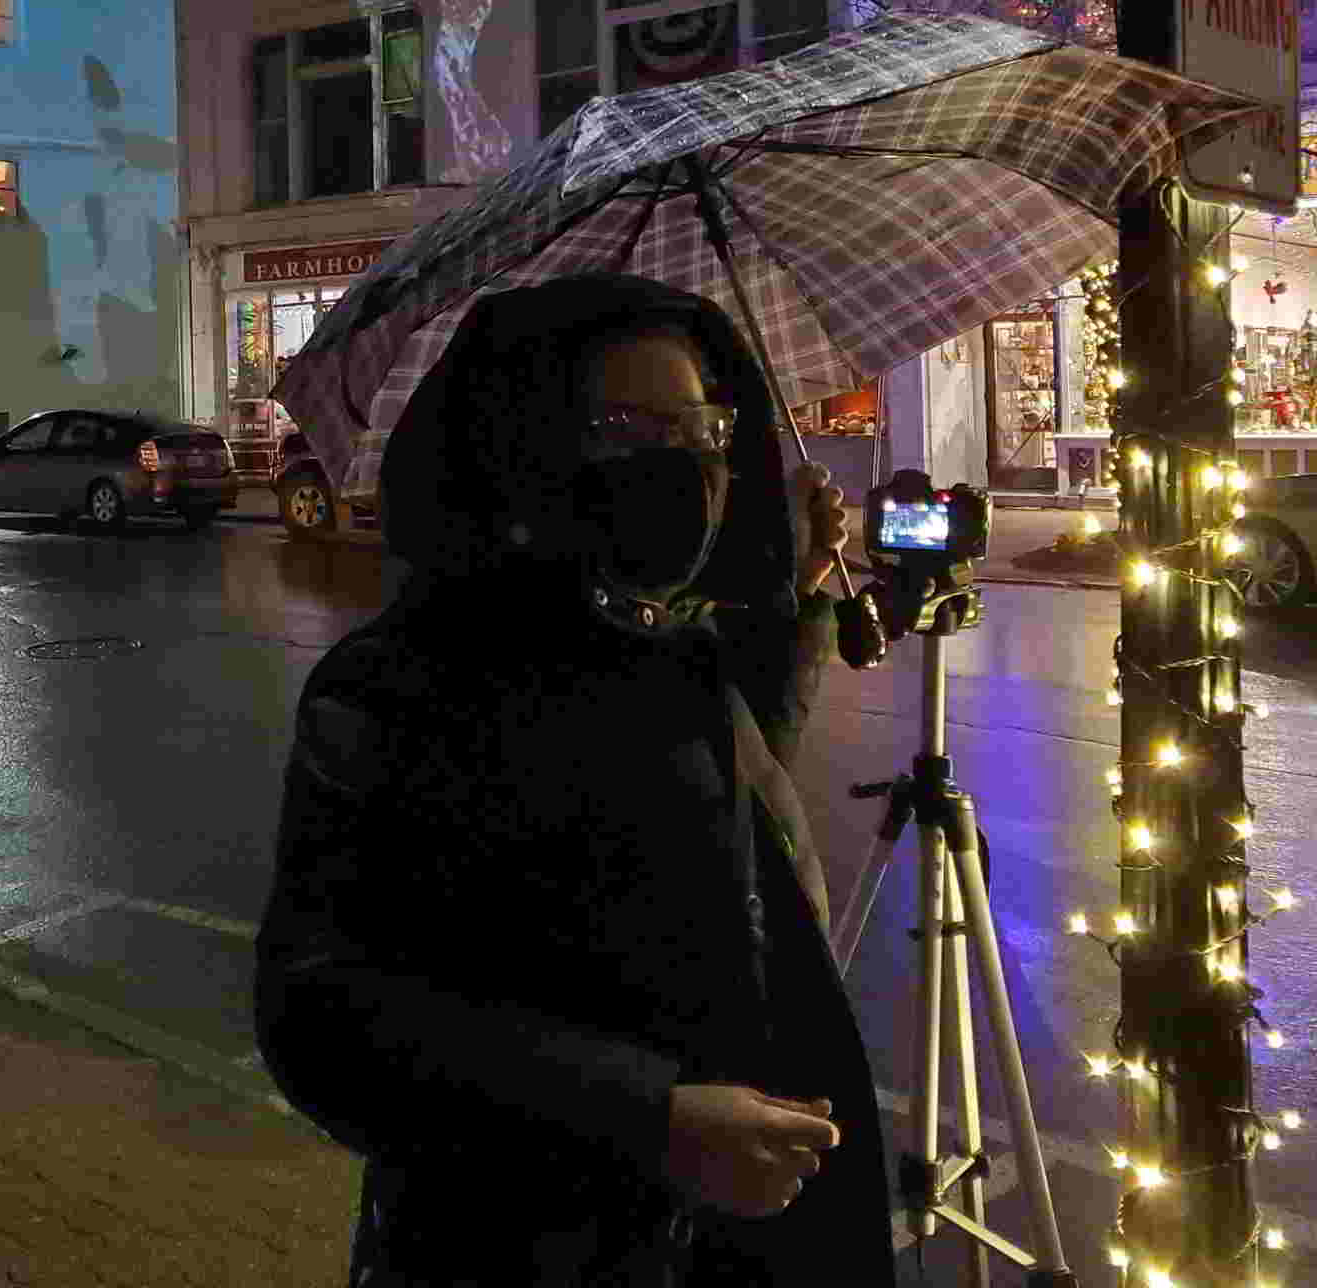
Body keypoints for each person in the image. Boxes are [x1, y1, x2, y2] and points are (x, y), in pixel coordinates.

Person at [255, 273, 893, 1287]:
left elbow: (730, 796)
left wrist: (800, 602)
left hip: (721, 1243)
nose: (683, 463)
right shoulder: (404, 686)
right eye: (630, 426)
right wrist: (651, 1116)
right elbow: (323, 1013)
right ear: (529, 443)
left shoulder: (664, 649)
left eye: (704, 426)